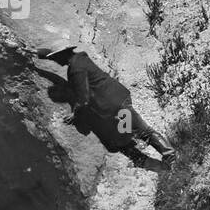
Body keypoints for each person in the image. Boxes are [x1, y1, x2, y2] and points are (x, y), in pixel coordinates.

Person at [34, 41, 175, 163]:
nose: (56, 61)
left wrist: (75, 114)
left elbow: (83, 98)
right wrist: (35, 52)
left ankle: (170, 155)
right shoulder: (81, 57)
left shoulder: (76, 69)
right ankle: (137, 147)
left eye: (57, 57)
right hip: (117, 97)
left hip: (115, 104)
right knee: (124, 134)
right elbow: (51, 55)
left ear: (63, 55)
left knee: (142, 130)